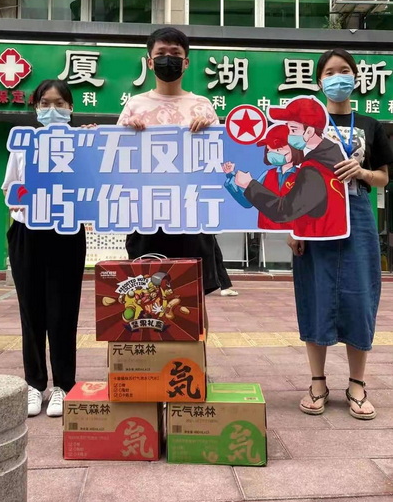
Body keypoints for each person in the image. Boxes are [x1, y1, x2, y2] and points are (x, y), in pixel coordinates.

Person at [287, 49, 393, 419]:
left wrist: (361, 172)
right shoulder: (305, 125)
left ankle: (357, 385)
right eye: (330, 72)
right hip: (314, 217)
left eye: (344, 70)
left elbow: (383, 177)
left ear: (355, 78)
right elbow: (291, 179)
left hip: (358, 216)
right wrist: (294, 227)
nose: (338, 77)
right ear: (319, 81)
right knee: (315, 293)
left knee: (360, 297)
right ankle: (317, 382)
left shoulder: (369, 124)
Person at [117, 27, 221, 330]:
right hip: (146, 216)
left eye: (175, 54)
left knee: (192, 297)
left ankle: (196, 356)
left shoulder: (202, 105)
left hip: (191, 215)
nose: (168, 60)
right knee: (146, 293)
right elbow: (115, 161)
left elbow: (221, 161)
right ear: (149, 62)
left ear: (186, 62)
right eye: (161, 54)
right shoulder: (134, 105)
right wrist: (127, 133)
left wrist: (210, 132)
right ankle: (152, 354)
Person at [2, 79, 87, 418]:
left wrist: (91, 144)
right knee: (31, 311)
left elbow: (93, 186)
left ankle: (63, 385)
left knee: (63, 312)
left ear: (71, 108)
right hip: (27, 231)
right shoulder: (23, 144)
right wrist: (29, 200)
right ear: (36, 108)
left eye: (60, 104)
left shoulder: (82, 144)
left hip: (66, 232)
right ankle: (34, 384)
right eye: (45, 103)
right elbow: (10, 187)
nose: (53, 109)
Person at [234, 97, 348, 239]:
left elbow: (284, 210)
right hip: (326, 238)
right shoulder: (330, 158)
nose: (289, 135)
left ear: (309, 131)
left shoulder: (313, 170)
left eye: (293, 130)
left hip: (320, 243)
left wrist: (249, 184)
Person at [222, 123, 304, 230]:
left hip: (293, 232)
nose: (273, 154)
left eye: (278, 149)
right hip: (266, 230)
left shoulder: (303, 176)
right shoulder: (268, 174)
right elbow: (248, 202)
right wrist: (231, 176)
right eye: (269, 150)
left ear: (294, 148)